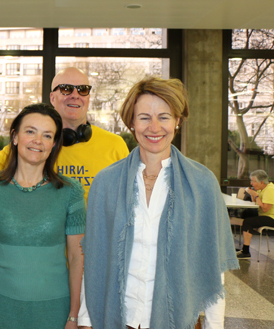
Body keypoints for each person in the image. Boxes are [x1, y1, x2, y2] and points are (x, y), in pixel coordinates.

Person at [78, 76, 238, 329]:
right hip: (117, 319)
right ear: (132, 123)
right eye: (144, 117)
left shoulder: (202, 183)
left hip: (178, 319)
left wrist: (214, 325)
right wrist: (86, 320)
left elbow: (213, 265)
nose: (154, 127)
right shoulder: (106, 182)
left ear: (177, 121)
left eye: (164, 117)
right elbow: (94, 259)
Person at [0, 103, 86, 329]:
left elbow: (77, 258)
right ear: (15, 137)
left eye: (47, 135)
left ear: (54, 144)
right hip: (1, 310)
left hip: (56, 311)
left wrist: (74, 316)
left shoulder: (71, 192)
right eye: (30, 131)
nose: (38, 141)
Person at [0, 67, 129, 202]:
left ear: (88, 98)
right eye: (66, 89)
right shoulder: (33, 147)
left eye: (83, 90)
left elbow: (129, 196)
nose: (75, 96)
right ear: (52, 98)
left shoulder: (115, 145)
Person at [236, 169, 274, 259]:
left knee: (248, 222)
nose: (251, 183)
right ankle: (242, 248)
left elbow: (265, 209)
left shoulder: (270, 190)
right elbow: (256, 203)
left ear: (262, 182)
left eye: (253, 181)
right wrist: (252, 194)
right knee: (246, 213)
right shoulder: (262, 188)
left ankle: (246, 251)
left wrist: (256, 195)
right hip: (264, 215)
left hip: (271, 218)